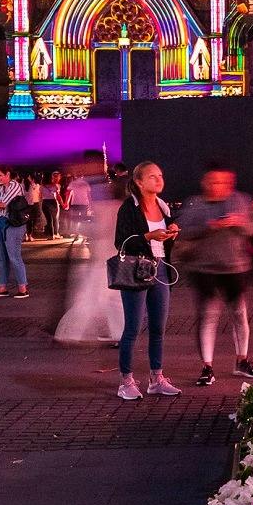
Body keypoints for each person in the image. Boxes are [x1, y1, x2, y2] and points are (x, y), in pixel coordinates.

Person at [178, 167, 253, 387]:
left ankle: (242, 361)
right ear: (205, 182)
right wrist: (210, 226)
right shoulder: (195, 204)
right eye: (214, 182)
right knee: (209, 316)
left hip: (236, 267)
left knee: (239, 313)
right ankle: (207, 366)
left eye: (225, 182)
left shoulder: (240, 200)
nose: (220, 186)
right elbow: (183, 231)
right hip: (205, 269)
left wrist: (240, 223)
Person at [112, 159, 179, 400]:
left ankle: (156, 378)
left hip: (160, 269)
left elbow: (165, 241)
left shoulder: (163, 206)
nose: (159, 179)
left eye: (160, 175)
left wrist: (171, 233)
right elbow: (121, 242)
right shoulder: (129, 208)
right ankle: (126, 381)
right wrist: (149, 235)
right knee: (132, 327)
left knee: (158, 327)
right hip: (137, 269)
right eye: (152, 176)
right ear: (139, 182)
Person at [0, 171, 31, 297]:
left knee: (14, 256)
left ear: (8, 174)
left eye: (0, 175)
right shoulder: (0, 189)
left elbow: (3, 205)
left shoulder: (15, 186)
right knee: (1, 257)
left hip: (13, 223)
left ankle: (22, 287)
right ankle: (2, 287)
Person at [64, 168, 94, 257]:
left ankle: (77, 233)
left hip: (75, 203)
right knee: (84, 220)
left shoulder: (72, 183)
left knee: (76, 219)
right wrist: (91, 205)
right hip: (84, 203)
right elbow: (89, 195)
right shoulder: (86, 183)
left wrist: (67, 203)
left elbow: (68, 193)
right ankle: (84, 234)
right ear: (83, 176)